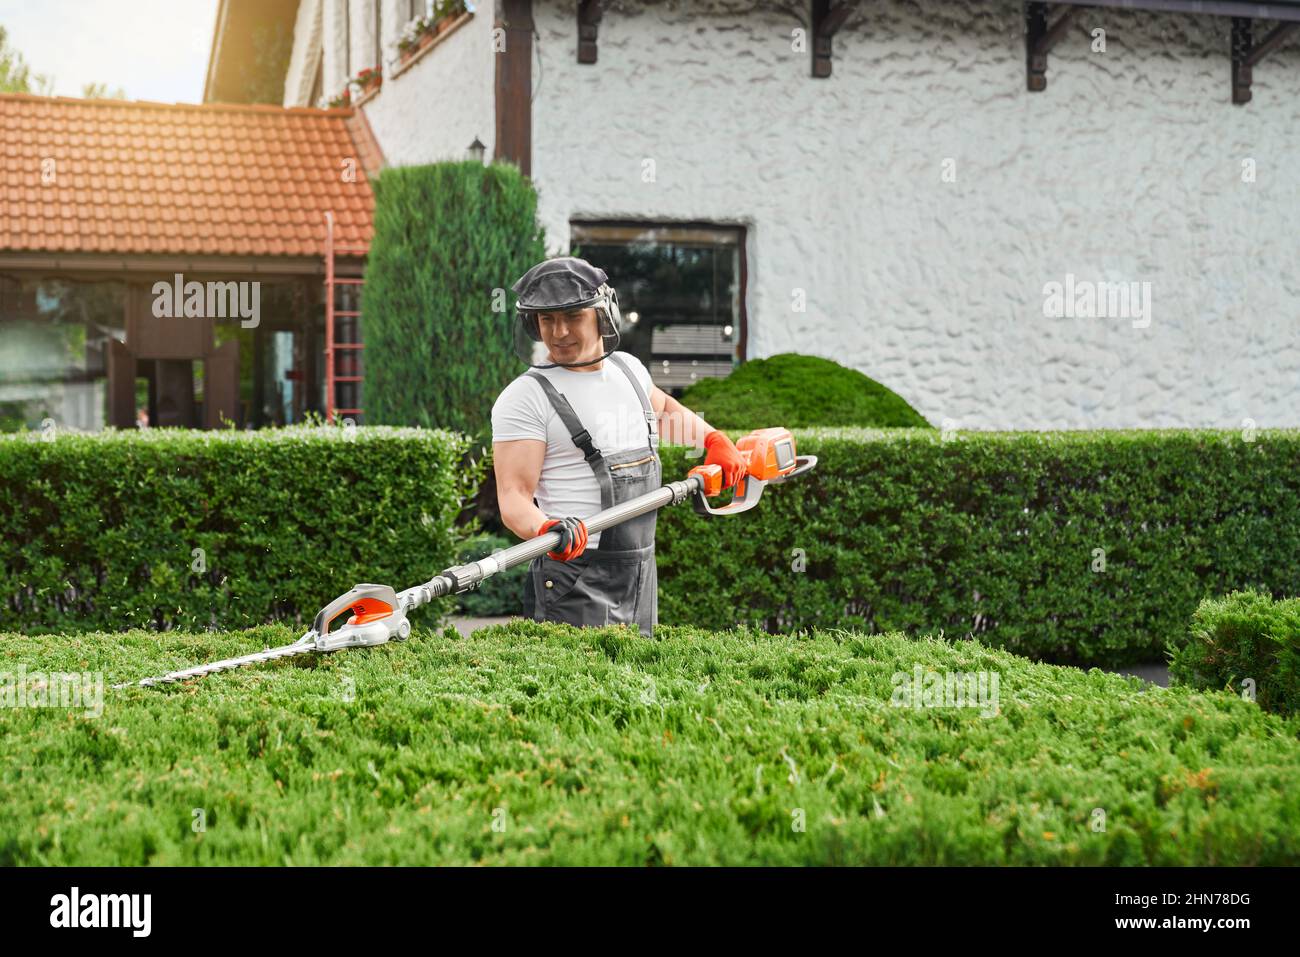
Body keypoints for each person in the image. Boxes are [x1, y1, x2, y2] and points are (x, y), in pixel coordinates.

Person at [490, 256, 746, 637]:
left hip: (640, 568)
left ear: (603, 313)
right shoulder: (526, 397)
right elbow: (513, 496)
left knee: (639, 684)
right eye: (547, 320)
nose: (558, 332)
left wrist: (712, 439)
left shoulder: (628, 370)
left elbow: (664, 411)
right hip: (574, 575)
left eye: (573, 316)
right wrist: (544, 527)